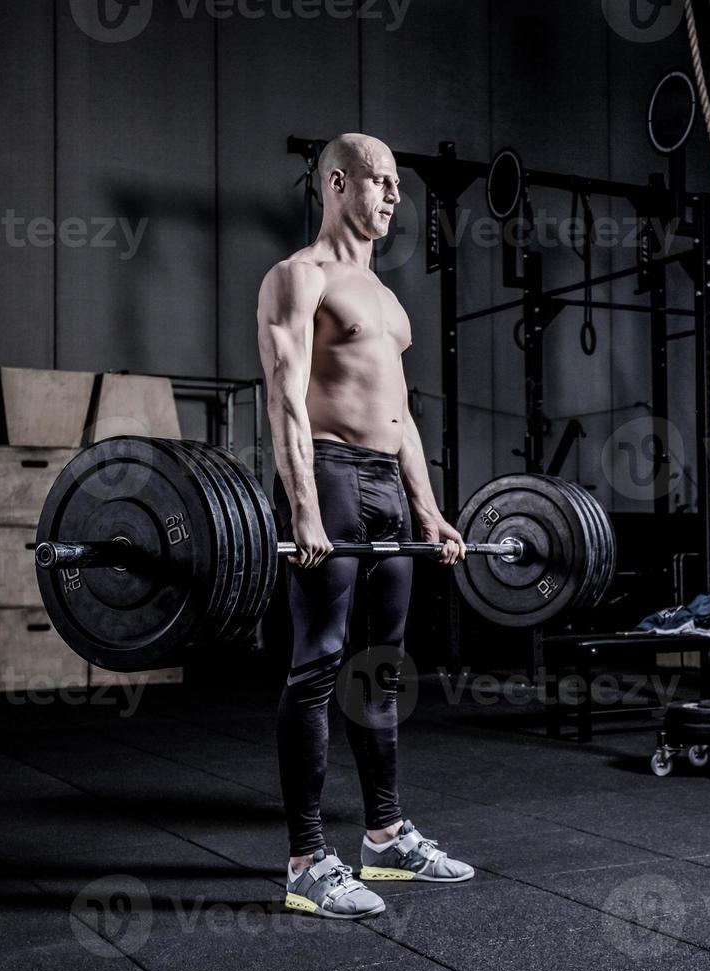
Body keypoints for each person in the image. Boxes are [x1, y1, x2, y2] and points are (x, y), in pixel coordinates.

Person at [256, 133, 476, 920]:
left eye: (396, 186)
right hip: (333, 477)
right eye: (379, 183)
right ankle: (307, 861)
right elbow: (284, 398)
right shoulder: (297, 278)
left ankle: (383, 840)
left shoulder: (387, 301)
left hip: (387, 486)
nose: (392, 197)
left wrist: (431, 511)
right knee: (316, 668)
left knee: (381, 671)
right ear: (338, 183)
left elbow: (403, 417)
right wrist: (305, 505)